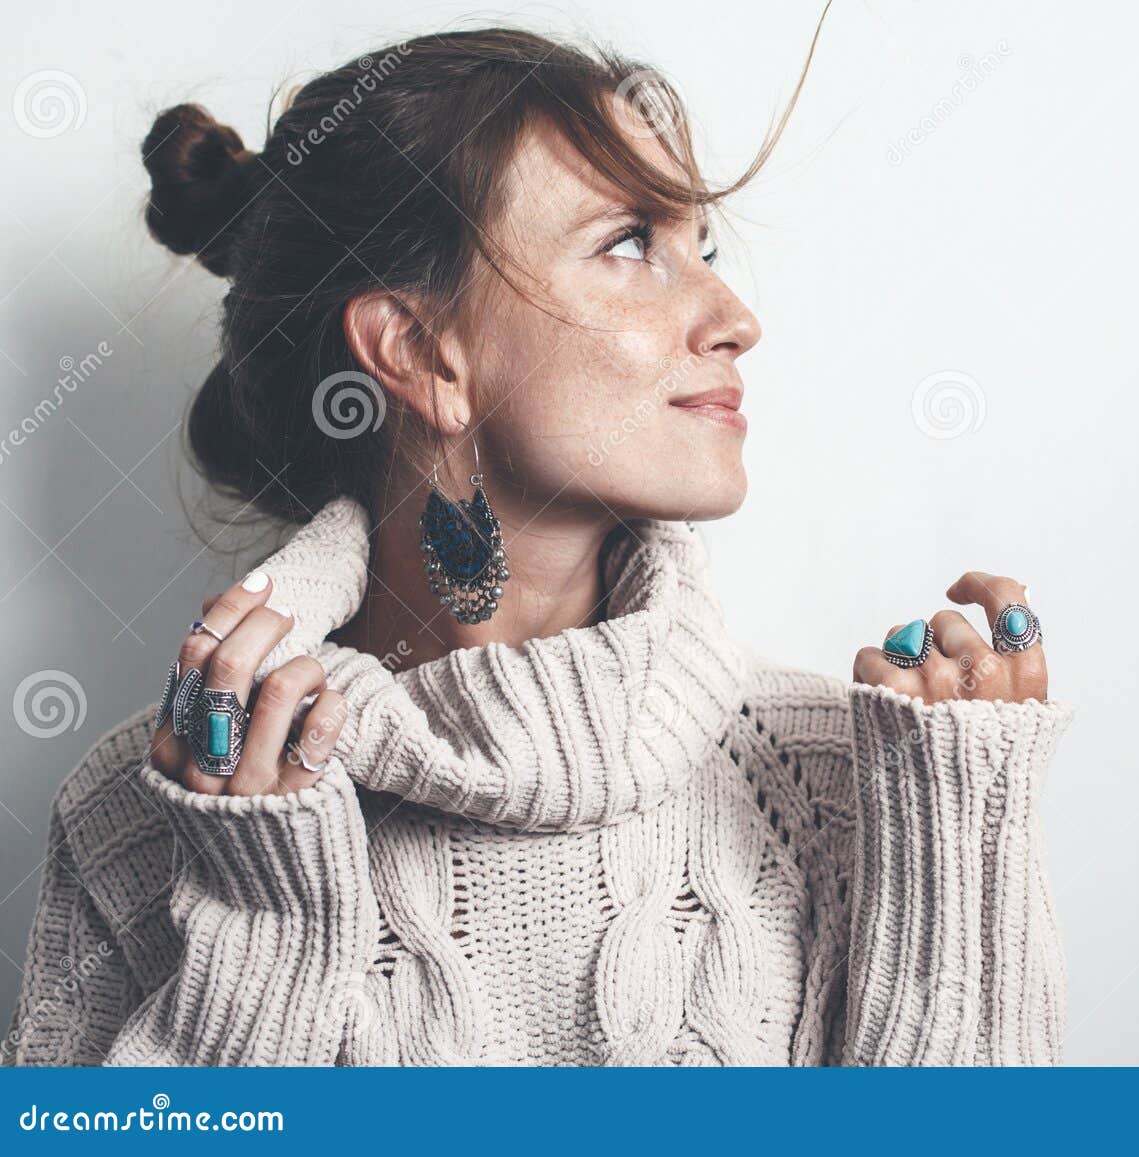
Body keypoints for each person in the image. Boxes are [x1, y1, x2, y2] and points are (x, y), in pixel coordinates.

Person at [3, 24, 1071, 1067]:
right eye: (628, 243)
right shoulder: (147, 813)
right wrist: (262, 933)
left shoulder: (859, 779)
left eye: (704, 247)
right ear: (423, 351)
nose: (735, 315)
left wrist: (957, 838)